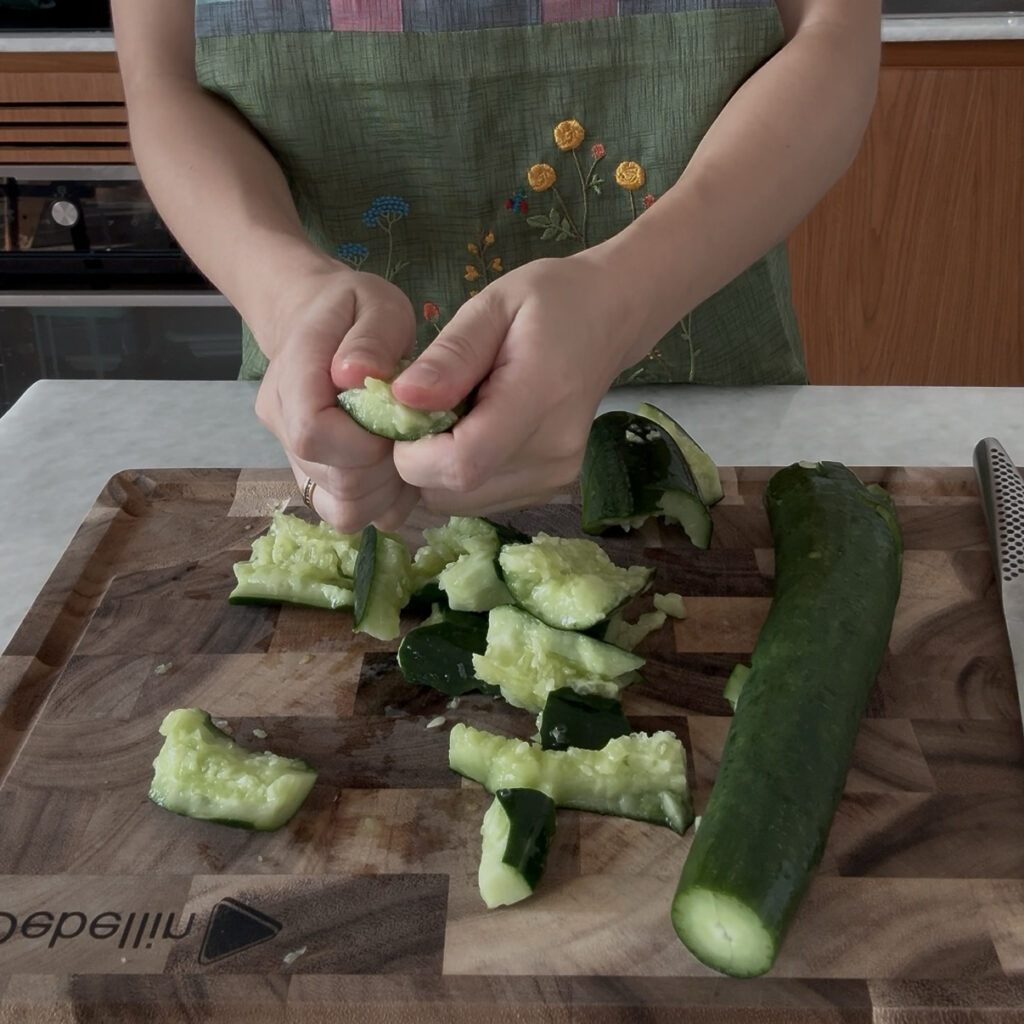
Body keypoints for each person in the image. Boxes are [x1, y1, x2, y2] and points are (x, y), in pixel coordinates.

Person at [111, 0, 881, 532]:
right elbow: (162, 82)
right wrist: (285, 292)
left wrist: (623, 297)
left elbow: (834, 29)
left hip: (703, 372)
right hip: (331, 426)